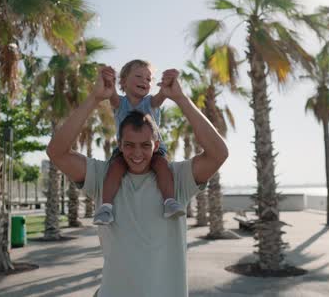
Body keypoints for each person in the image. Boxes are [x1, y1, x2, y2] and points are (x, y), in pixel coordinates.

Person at [46, 67, 228, 297]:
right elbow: (57, 152)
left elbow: (218, 153)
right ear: (119, 145)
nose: (137, 154)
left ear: (156, 145)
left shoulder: (177, 178)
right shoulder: (103, 177)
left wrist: (181, 99)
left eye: (145, 145)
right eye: (129, 145)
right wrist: (94, 98)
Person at [93, 60, 184, 225]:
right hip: (124, 150)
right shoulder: (120, 103)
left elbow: (162, 96)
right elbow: (110, 93)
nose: (145, 81)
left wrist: (168, 84)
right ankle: (105, 207)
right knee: (114, 168)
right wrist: (107, 79)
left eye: (149, 79)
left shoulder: (150, 102)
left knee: (162, 166)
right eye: (139, 76)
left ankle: (169, 201)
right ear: (123, 82)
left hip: (154, 150)